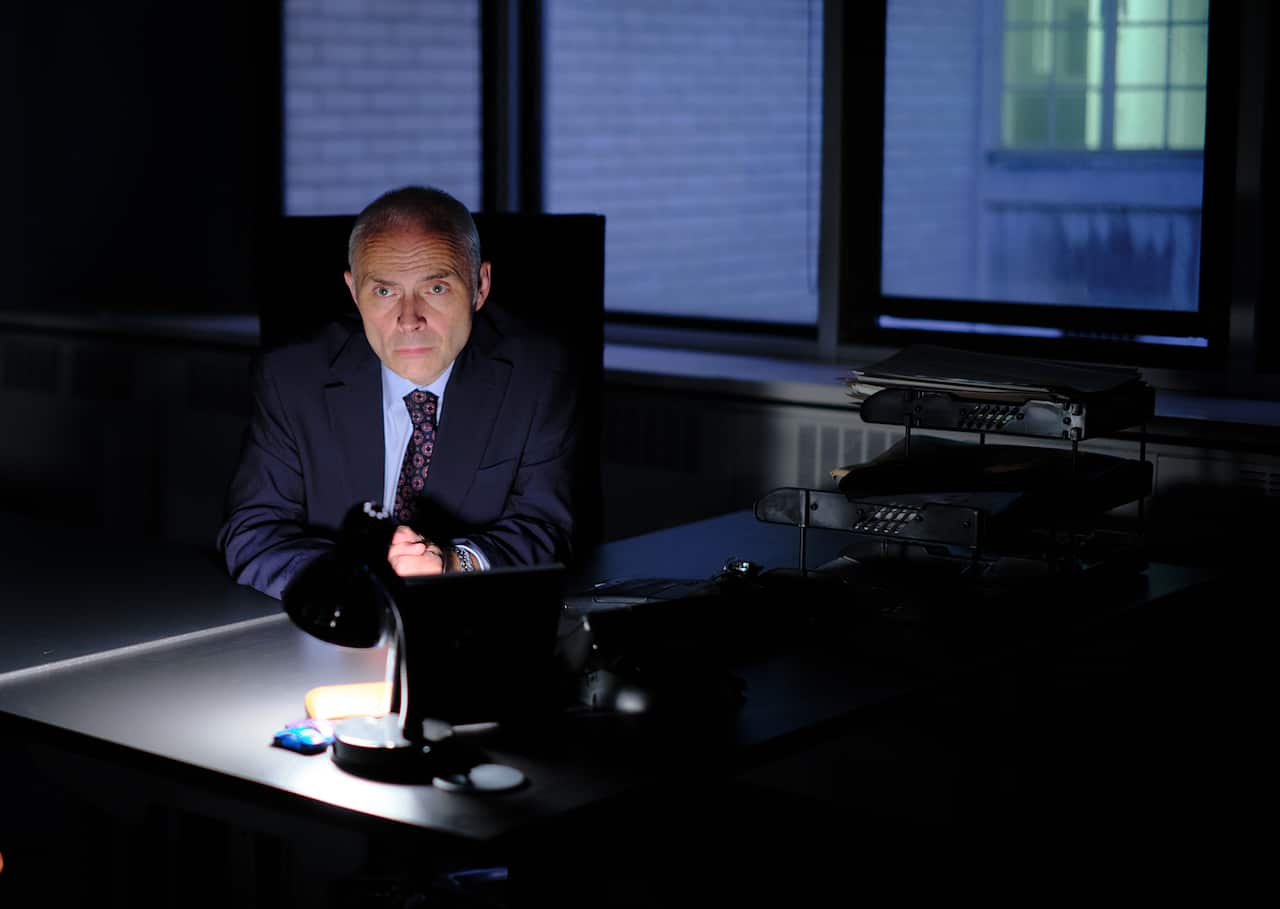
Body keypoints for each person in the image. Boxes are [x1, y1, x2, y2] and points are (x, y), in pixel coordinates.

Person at [217, 185, 581, 599]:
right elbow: (251, 532)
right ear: (354, 292)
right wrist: (353, 578)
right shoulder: (291, 379)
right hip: (338, 623)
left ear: (480, 286)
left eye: (436, 288)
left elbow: (547, 530)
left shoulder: (537, 379)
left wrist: (452, 564)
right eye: (385, 291)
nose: (409, 319)